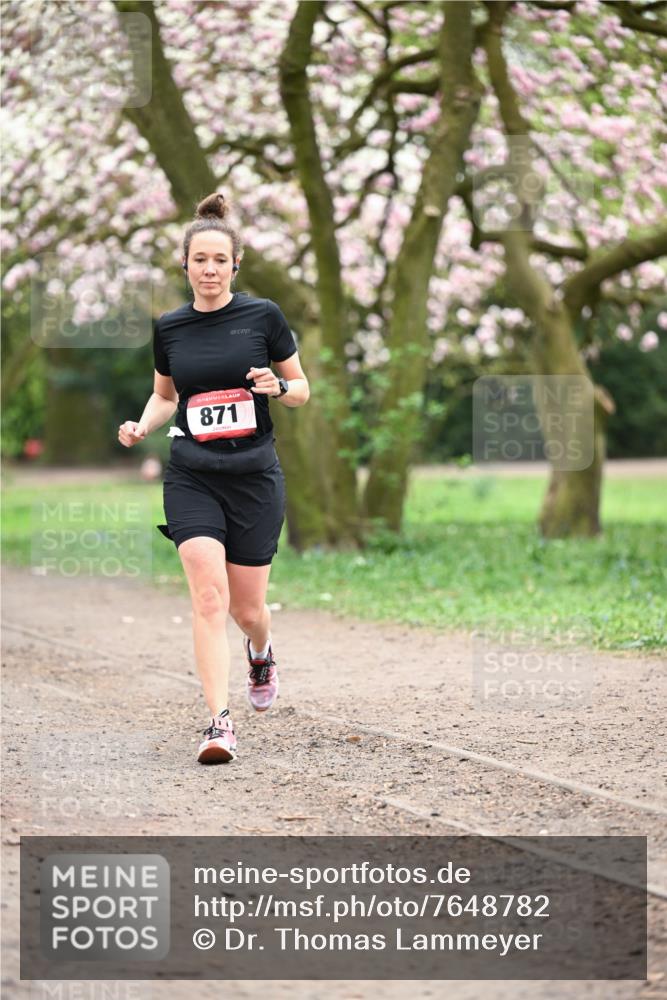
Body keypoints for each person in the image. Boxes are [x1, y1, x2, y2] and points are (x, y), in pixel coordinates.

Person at [118, 192, 309, 764]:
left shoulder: (263, 316)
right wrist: (141, 424)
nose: (208, 269)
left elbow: (300, 388)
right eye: (198, 260)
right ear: (185, 265)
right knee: (207, 596)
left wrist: (278, 388)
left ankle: (261, 650)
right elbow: (164, 396)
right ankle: (218, 724)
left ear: (234, 266)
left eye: (218, 260)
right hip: (192, 476)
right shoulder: (170, 328)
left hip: (253, 477)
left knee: (247, 610)